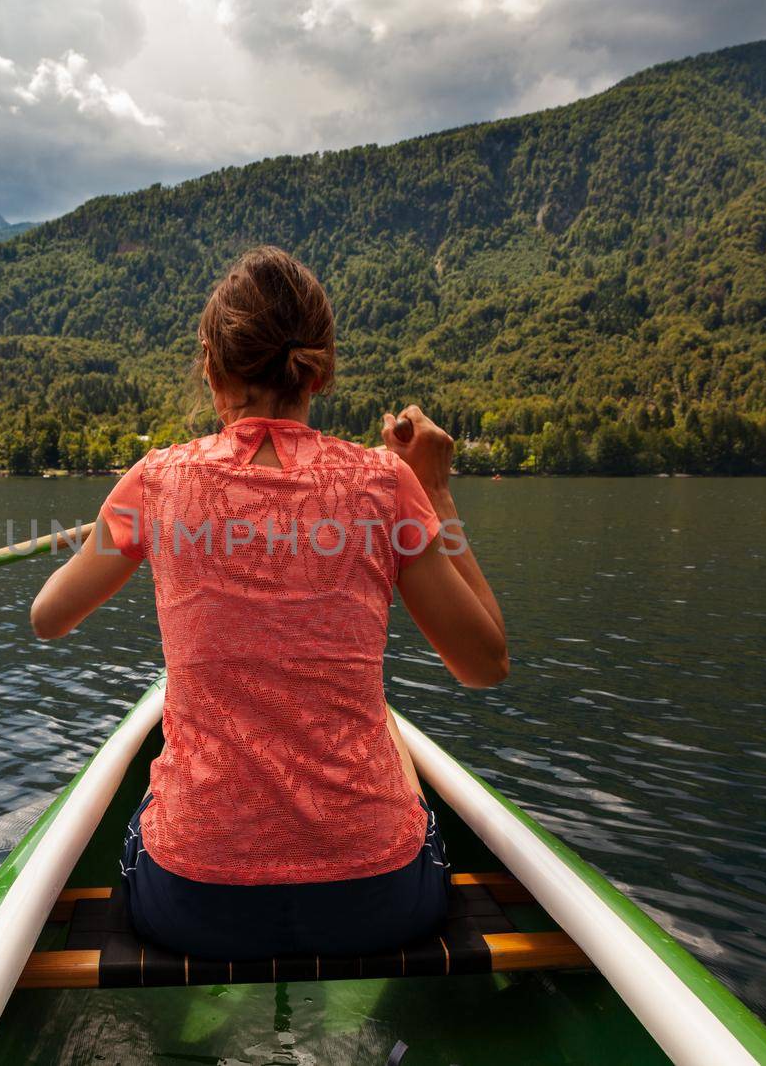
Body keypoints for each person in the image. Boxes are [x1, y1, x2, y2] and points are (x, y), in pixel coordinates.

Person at [30, 246, 508, 960]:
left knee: (150, 817)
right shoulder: (386, 483)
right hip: (378, 901)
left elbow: (49, 616)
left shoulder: (156, 480)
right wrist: (434, 488)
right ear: (319, 369)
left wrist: (122, 524)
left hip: (192, 905)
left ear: (211, 366)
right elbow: (485, 663)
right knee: (389, 741)